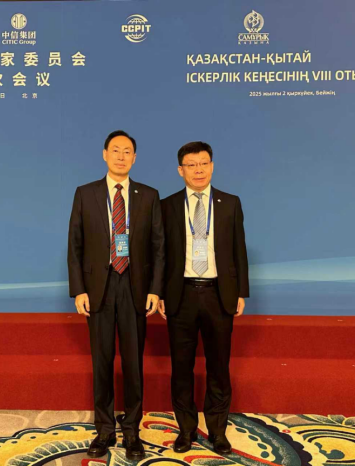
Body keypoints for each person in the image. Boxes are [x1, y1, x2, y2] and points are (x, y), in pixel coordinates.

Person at [67, 130, 165, 460]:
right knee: (102, 361)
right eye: (116, 150)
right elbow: (75, 245)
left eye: (127, 151)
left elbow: (159, 248)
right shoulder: (86, 193)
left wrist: (155, 289)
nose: (121, 156)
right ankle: (105, 429)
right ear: (104, 154)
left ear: (134, 158)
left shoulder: (148, 195)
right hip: (99, 287)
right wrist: (78, 289)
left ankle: (132, 430)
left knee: (134, 363)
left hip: (135, 287)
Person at [157, 141, 249, 455]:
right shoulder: (167, 205)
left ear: (212, 166)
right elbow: (160, 254)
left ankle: (218, 431)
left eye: (204, 163)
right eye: (192, 165)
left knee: (218, 367)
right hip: (180, 294)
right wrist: (159, 292)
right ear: (180, 170)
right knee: (181, 367)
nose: (199, 170)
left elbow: (239, 249)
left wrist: (240, 291)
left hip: (218, 294)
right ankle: (185, 430)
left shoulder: (230, 203)